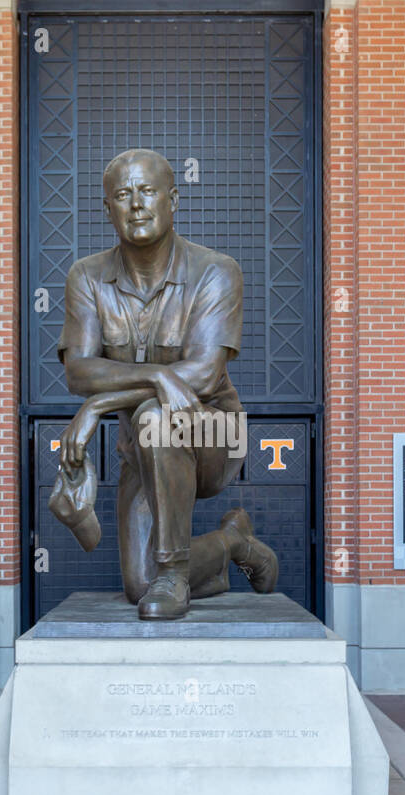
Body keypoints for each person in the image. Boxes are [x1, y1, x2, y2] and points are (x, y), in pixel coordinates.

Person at [56, 148, 279, 620]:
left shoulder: (215, 271)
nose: (136, 204)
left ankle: (175, 572)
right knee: (140, 585)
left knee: (156, 418)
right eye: (123, 194)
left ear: (173, 200)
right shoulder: (87, 277)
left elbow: (204, 374)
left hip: (215, 430)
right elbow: (78, 370)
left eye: (148, 191)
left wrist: (98, 406)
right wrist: (157, 375)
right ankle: (233, 543)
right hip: (141, 444)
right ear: (107, 209)